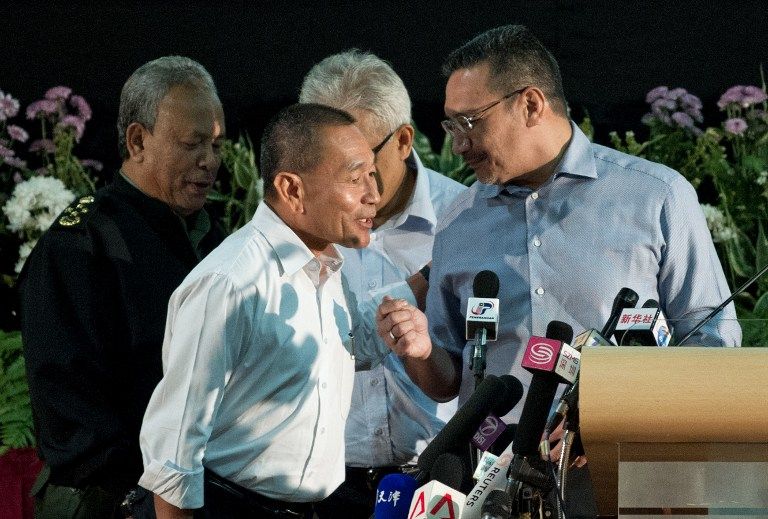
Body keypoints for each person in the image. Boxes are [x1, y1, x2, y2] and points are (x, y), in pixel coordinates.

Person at [377, 24, 741, 517]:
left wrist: (626, 413)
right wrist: (420, 352)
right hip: (495, 489)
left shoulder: (656, 196)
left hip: (624, 479)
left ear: (530, 104)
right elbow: (448, 380)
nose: (459, 144)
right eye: (450, 126)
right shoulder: (459, 221)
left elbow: (713, 342)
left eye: (470, 123)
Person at [137, 103, 427, 519]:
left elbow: (346, 342)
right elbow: (174, 446)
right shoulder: (230, 283)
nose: (374, 195)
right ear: (292, 189)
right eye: (354, 178)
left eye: (372, 174)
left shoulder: (325, 266)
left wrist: (421, 288)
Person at [18, 55, 226, 518]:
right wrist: (150, 491)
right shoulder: (81, 244)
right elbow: (69, 404)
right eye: (192, 143)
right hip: (109, 499)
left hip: (196, 492)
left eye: (216, 144)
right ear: (137, 141)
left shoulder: (213, 237)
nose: (209, 161)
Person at [298, 49, 467, 517]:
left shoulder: (465, 221)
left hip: (440, 483)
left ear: (404, 140)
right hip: (325, 487)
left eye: (357, 160)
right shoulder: (296, 229)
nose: (345, 180)